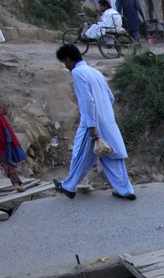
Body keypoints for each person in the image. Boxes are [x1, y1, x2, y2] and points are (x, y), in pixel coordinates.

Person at [53, 44, 136, 200]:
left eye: (64, 63)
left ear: (68, 59)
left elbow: (87, 101)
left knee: (80, 154)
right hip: (106, 120)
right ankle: (125, 190)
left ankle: (69, 186)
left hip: (92, 122)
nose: (66, 66)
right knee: (110, 154)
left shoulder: (78, 73)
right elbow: (110, 97)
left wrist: (92, 125)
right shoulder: (94, 72)